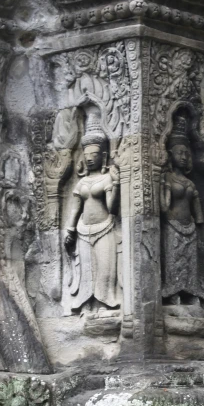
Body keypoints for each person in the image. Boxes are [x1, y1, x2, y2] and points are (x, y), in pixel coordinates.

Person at [64, 127, 122, 312]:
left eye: (94, 154)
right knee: (86, 270)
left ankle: (104, 304)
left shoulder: (106, 179)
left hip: (105, 228)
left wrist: (116, 184)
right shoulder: (80, 183)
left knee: (105, 269)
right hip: (83, 231)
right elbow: (75, 209)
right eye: (86, 154)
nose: (89, 158)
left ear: (103, 156)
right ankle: (86, 306)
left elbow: (112, 208)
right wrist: (70, 229)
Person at [160, 116, 204, 310]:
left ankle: (192, 292)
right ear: (170, 155)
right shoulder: (168, 179)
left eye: (186, 153)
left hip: (190, 227)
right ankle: (173, 292)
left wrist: (200, 223)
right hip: (172, 225)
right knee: (174, 260)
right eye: (180, 153)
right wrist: (163, 188)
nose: (184, 157)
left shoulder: (190, 183)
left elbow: (198, 210)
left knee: (191, 262)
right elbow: (164, 207)